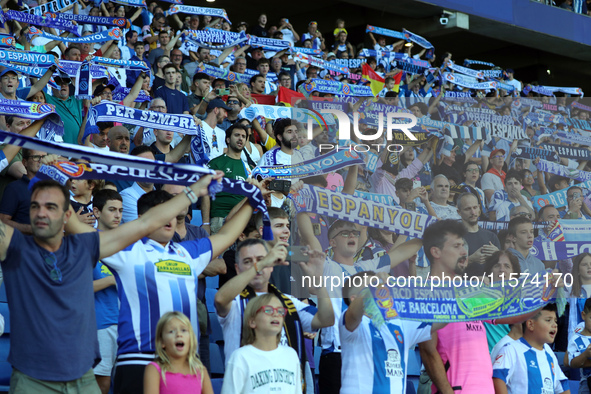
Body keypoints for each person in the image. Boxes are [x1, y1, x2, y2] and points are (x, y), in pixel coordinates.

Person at [0, 170, 220, 392]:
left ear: (68, 215)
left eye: (51, 207)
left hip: (83, 379)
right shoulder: (15, 246)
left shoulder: (87, 246)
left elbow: (146, 223)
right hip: (32, 379)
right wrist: (39, 174)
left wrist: (192, 193)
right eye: (35, 207)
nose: (41, 213)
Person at [215, 239, 334, 394]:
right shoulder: (235, 303)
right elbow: (220, 299)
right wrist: (261, 264)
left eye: (261, 260)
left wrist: (318, 282)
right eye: (248, 262)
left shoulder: (287, 302)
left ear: (272, 266)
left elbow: (325, 319)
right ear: (237, 269)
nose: (257, 266)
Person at [340, 271, 444, 394]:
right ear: (353, 299)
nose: (380, 288)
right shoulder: (352, 323)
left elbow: (442, 317)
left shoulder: (401, 325)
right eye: (372, 285)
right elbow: (353, 314)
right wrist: (373, 286)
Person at [221, 293, 302, 394]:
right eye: (268, 310)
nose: (276, 314)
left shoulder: (291, 355)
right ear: (252, 322)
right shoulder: (240, 357)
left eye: (280, 311)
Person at [492, 303, 568, 394]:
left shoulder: (549, 352)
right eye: (548, 320)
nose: (554, 325)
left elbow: (562, 384)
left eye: (555, 321)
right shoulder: (511, 349)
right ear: (530, 324)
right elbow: (498, 378)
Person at [92, 189, 123, 394]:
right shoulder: (88, 241)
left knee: (124, 383)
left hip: (126, 322)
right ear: (96, 212)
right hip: (100, 323)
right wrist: (111, 280)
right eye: (112, 209)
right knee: (101, 384)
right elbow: (76, 288)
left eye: (121, 210)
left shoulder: (125, 241)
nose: (117, 215)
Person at [144, 311, 214, 394]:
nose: (179, 334)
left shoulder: (201, 371)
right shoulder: (154, 369)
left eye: (184, 330)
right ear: (162, 342)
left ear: (191, 339)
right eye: (171, 331)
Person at [456, 192, 500, 272]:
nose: (473, 212)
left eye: (475, 207)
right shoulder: (455, 238)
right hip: (464, 283)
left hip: (490, 283)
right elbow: (448, 267)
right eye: (468, 209)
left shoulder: (491, 236)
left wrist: (498, 255)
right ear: (459, 212)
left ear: (479, 208)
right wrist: (471, 259)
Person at [567, 298, 591, 394]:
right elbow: (571, 363)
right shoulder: (576, 338)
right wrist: (585, 354)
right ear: (583, 315)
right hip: (586, 383)